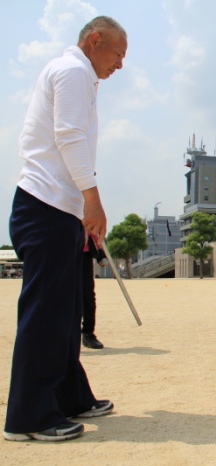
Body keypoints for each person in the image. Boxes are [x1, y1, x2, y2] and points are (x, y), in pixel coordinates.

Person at [4, 16, 125, 442]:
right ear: (95, 41)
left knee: (67, 310)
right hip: (46, 206)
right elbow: (69, 137)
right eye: (117, 54)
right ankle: (28, 417)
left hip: (62, 209)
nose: (120, 65)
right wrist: (92, 200)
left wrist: (81, 211)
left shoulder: (82, 76)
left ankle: (69, 394)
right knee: (45, 315)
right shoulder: (73, 70)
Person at [82, 234, 109, 350]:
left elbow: (93, 231)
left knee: (87, 295)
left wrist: (100, 252)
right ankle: (62, 334)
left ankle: (88, 334)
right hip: (61, 249)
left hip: (84, 252)